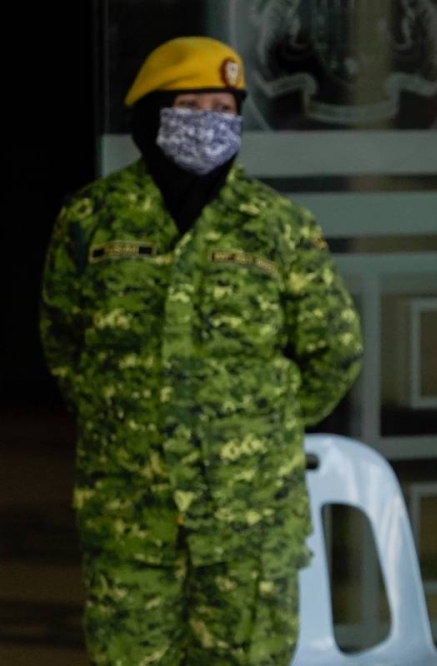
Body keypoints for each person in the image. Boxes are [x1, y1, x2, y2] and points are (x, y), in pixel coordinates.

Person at [39, 36, 363, 665]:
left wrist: (257, 426)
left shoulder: (277, 225)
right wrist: (128, 421)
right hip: (130, 512)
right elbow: (64, 341)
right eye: (194, 106)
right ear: (152, 114)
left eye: (225, 108)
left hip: (250, 521)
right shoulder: (92, 220)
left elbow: (335, 352)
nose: (212, 123)